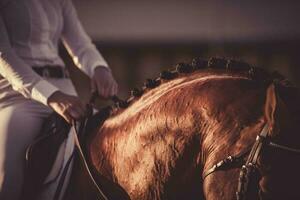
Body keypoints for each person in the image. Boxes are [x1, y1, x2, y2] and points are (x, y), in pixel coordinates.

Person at [0, 0, 118, 199]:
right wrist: (52, 96)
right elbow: (4, 56)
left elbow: (81, 45)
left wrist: (99, 68)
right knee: (8, 176)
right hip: (19, 96)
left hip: (65, 90)